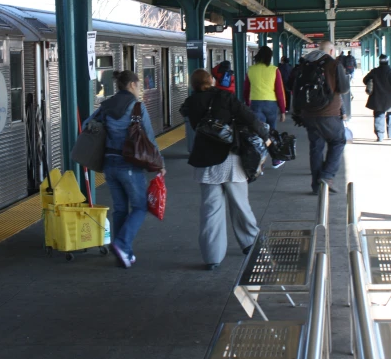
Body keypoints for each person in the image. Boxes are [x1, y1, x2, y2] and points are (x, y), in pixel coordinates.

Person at [181, 69, 271, 271]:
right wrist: (266, 137)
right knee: (240, 205)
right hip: (230, 159)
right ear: (211, 80)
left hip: (205, 162)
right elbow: (250, 118)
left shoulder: (191, 103)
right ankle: (250, 243)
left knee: (211, 210)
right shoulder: (225, 97)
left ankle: (212, 256)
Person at [83, 70, 164, 269]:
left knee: (120, 208)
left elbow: (86, 124)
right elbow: (149, 139)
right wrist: (160, 164)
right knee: (140, 206)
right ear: (132, 85)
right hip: (129, 164)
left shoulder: (106, 106)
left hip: (109, 165)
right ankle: (122, 243)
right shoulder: (137, 107)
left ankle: (124, 252)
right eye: (138, 85)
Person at [292, 41, 350, 194]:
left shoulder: (305, 63)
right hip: (328, 113)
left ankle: (316, 186)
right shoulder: (333, 64)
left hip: (308, 114)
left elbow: (292, 86)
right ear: (331, 51)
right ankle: (327, 176)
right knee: (338, 141)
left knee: (316, 148)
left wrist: (297, 112)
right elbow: (344, 89)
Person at [363, 54, 391, 142]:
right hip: (390, 100)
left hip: (377, 98)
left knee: (379, 116)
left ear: (379, 61)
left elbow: (365, 80)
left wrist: (371, 82)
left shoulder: (374, 72)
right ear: (388, 61)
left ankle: (380, 136)